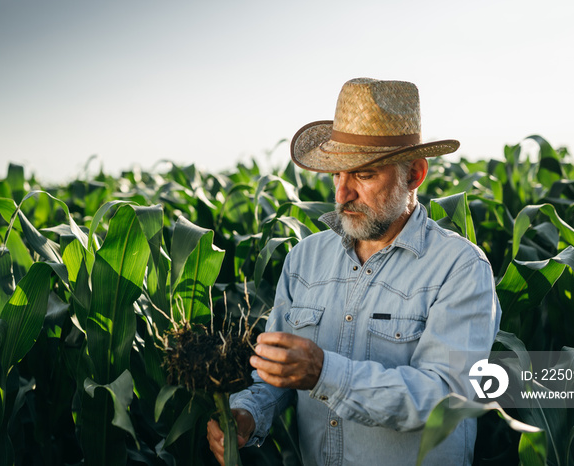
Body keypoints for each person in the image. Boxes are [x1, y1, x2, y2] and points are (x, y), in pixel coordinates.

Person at [207, 78, 502, 465]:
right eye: (337, 174)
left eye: (363, 175)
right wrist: (248, 413)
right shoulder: (304, 260)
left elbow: (445, 397)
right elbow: (276, 376)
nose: (343, 193)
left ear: (413, 174)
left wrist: (326, 373)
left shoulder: (459, 268)